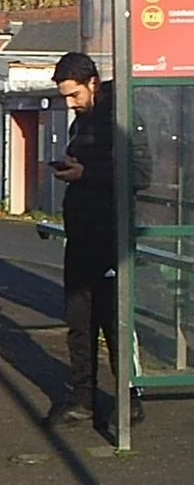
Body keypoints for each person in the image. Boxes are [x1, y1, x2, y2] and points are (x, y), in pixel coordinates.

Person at [42, 51, 150, 431]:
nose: (70, 104)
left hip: (109, 235)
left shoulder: (120, 117)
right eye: (64, 98)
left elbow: (139, 174)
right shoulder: (81, 122)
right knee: (78, 319)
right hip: (81, 234)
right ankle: (83, 397)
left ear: (93, 83)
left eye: (74, 95)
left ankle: (129, 396)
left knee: (113, 318)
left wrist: (85, 173)